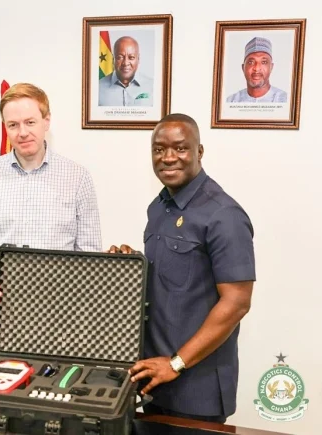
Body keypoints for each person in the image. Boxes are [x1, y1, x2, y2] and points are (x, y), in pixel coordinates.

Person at [109, 113, 255, 423]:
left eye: (180, 148)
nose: (168, 157)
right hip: (153, 377)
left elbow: (237, 302)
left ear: (199, 152)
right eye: (159, 149)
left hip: (196, 388)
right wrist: (129, 264)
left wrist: (175, 363)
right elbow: (172, 278)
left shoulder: (224, 214)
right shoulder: (159, 207)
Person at [0, 83, 102, 373]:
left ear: (47, 121)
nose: (22, 132)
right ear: (5, 128)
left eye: (30, 122)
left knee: (49, 397)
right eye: (13, 125)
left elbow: (89, 253)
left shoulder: (77, 178)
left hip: (58, 318)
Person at [226, 36, 287, 103]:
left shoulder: (285, 100)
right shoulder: (231, 101)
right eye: (251, 62)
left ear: (271, 67)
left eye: (264, 62)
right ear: (243, 68)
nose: (257, 68)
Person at [99, 36, 153, 107]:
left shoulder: (153, 86)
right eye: (120, 57)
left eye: (131, 57)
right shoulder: (98, 88)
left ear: (138, 59)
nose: (125, 63)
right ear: (113, 59)